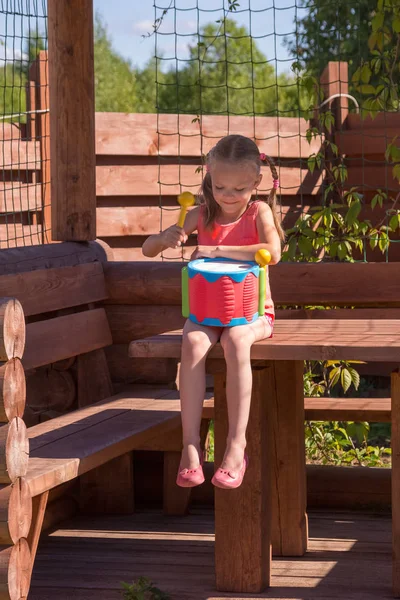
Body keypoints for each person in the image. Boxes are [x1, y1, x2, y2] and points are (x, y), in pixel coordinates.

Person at [142, 134, 284, 489]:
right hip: (206, 313)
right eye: (220, 186)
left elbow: (274, 251)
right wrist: (165, 238)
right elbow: (147, 249)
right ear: (209, 176)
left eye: (238, 188)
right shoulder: (202, 213)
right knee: (191, 343)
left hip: (252, 313)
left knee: (237, 341)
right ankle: (190, 445)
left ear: (256, 182)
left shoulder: (258, 211)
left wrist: (215, 250)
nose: (228, 195)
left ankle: (237, 446)